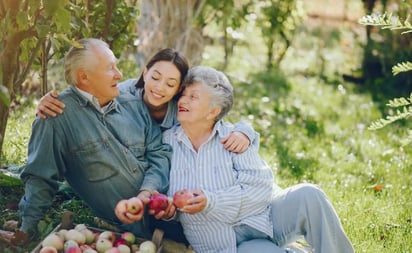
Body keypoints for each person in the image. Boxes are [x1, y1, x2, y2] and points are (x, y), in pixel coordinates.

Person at [150, 66, 355, 253]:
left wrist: (212, 201)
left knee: (310, 195)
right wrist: (169, 210)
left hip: (264, 219)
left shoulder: (233, 137)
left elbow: (260, 188)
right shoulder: (166, 143)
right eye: (183, 94)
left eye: (193, 96)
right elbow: (172, 201)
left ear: (214, 111)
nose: (183, 101)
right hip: (223, 245)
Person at [17, 38, 172, 241]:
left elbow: (159, 153)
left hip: (168, 204)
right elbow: (40, 177)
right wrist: (26, 228)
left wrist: (147, 192)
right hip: (132, 230)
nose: (120, 74)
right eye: (110, 68)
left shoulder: (133, 102)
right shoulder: (56, 117)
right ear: (84, 77)